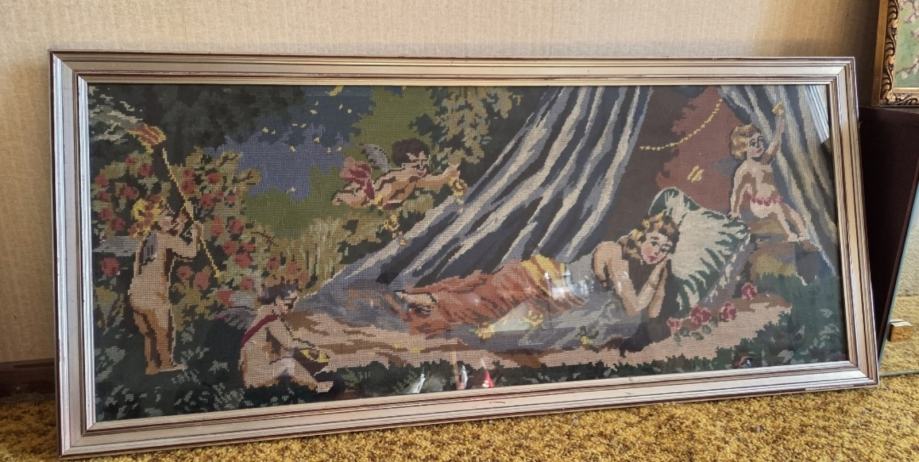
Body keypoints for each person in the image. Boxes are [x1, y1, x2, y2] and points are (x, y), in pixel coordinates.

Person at [397, 212, 678, 337]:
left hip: (545, 298)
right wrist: (656, 278)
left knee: (483, 314)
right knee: (481, 305)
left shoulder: (625, 265)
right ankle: (424, 300)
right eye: (654, 242)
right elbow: (633, 307)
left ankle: (425, 302)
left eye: (664, 249)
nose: (656, 252)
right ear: (641, 236)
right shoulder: (614, 253)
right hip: (537, 280)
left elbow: (648, 313)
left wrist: (661, 276)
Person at [127, 198, 201, 375]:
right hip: (153, 296)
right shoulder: (166, 239)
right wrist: (196, 235)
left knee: (149, 335)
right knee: (163, 332)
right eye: (166, 215)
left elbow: (173, 231)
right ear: (156, 219)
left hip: (135, 295)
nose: (171, 218)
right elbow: (190, 252)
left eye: (170, 215)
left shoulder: (149, 238)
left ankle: (151, 367)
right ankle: (167, 364)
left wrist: (183, 218)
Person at [728, 102, 808, 242]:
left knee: (792, 213)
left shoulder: (764, 160)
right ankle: (790, 235)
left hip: (775, 200)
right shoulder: (744, 170)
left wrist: (780, 120)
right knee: (778, 211)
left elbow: (775, 143)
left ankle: (804, 234)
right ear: (742, 149)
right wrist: (734, 211)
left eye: (759, 140)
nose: (759, 145)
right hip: (760, 205)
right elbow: (737, 192)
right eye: (753, 144)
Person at [239, 284, 334, 392]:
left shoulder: (265, 311)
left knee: (288, 356)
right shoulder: (270, 317)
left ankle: (312, 384)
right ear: (278, 299)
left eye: (294, 304)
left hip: (251, 370)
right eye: (288, 304)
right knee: (289, 363)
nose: (291, 308)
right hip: (255, 374)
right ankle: (316, 387)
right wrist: (311, 347)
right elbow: (289, 344)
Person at [333, 138, 460, 209]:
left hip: (379, 197)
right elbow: (435, 181)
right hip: (372, 194)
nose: (421, 167)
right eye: (416, 163)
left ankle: (348, 189)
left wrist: (448, 175)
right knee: (357, 200)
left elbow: (433, 181)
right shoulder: (407, 175)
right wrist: (448, 173)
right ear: (404, 165)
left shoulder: (414, 179)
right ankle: (341, 193)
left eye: (424, 162)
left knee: (359, 198)